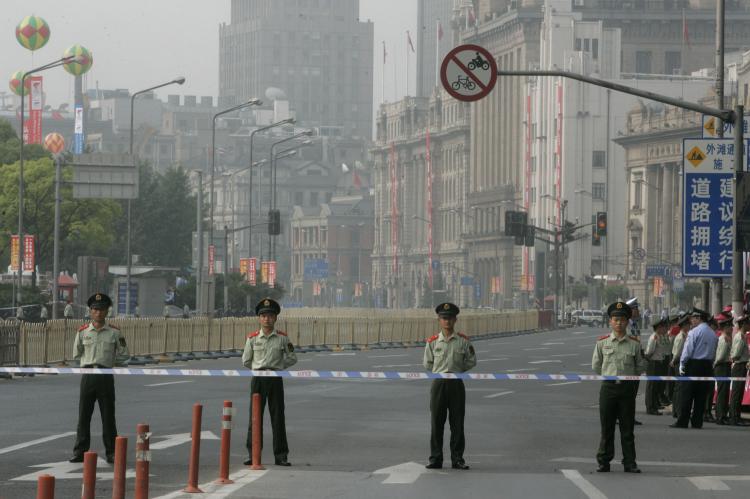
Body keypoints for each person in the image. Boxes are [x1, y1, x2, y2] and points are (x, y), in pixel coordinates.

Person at [70, 293, 130, 464]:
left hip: (105, 376)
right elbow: (77, 354)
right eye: (95, 309)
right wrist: (87, 364)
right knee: (83, 415)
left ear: (107, 311)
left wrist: (111, 363)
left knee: (108, 415)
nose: (98, 313)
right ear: (90, 311)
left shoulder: (114, 332)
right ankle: (80, 451)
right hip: (88, 376)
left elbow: (124, 354)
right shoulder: (82, 332)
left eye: (102, 309)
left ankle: (111, 452)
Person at [592, 301, 646, 473]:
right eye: (615, 319)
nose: (619, 322)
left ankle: (629, 462)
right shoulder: (602, 343)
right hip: (608, 389)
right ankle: (603, 461)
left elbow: (640, 367)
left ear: (627, 321)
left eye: (622, 319)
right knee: (606, 427)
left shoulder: (634, 344)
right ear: (610, 321)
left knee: (627, 428)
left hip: (627, 390)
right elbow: (596, 366)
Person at [242, 298, 297, 466]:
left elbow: (292, 357)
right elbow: (246, 360)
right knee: (255, 418)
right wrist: (258, 369)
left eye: (270, 315)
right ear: (259, 318)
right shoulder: (252, 338)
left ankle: (281, 456)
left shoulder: (282, 338)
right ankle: (253, 455)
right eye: (264, 316)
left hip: (275, 379)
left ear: (275, 318)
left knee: (278, 417)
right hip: (258, 379)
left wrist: (279, 367)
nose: (267, 319)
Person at [424, 302, 477, 470]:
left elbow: (471, 360)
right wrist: (439, 371)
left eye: (450, 318)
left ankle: (457, 459)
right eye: (443, 318)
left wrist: (459, 370)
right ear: (439, 320)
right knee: (436, 423)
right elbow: (427, 363)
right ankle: (435, 459)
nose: (447, 321)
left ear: (455, 320)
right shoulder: (432, 342)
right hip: (439, 384)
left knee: (457, 423)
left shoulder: (462, 341)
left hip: (456, 384)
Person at [671, 307, 718, 429]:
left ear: (699, 318)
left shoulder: (694, 332)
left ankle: (683, 421)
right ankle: (697, 421)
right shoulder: (713, 334)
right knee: (701, 396)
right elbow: (714, 352)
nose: (691, 320)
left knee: (686, 394)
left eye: (693, 318)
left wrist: (682, 363)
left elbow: (688, 350)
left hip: (693, 364)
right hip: (707, 365)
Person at [644, 317, 671, 415]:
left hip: (659, 363)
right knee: (651, 387)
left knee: (656, 387)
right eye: (664, 327)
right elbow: (649, 352)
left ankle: (654, 405)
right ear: (659, 327)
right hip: (654, 363)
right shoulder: (654, 337)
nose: (666, 329)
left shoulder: (660, 336)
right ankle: (650, 407)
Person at [728, 314, 750, 426]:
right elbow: (736, 353)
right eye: (747, 323)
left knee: (739, 392)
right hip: (739, 365)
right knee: (737, 393)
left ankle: (736, 415)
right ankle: (734, 417)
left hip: (741, 365)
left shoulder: (742, 335)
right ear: (743, 325)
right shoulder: (740, 336)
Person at [713, 313, 734, 425]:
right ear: (725, 328)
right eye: (730, 326)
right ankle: (720, 415)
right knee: (722, 392)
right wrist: (715, 364)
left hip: (725, 365)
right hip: (722, 366)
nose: (731, 328)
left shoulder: (727, 338)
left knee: (725, 392)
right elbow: (720, 356)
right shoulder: (723, 339)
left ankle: (723, 414)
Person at [670, 313, 690, 419]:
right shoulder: (681, 337)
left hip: (681, 362)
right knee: (678, 387)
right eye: (688, 325)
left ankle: (677, 409)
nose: (689, 327)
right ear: (684, 326)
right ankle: (676, 410)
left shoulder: (684, 335)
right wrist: (673, 361)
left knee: (680, 387)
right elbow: (678, 352)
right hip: (679, 362)